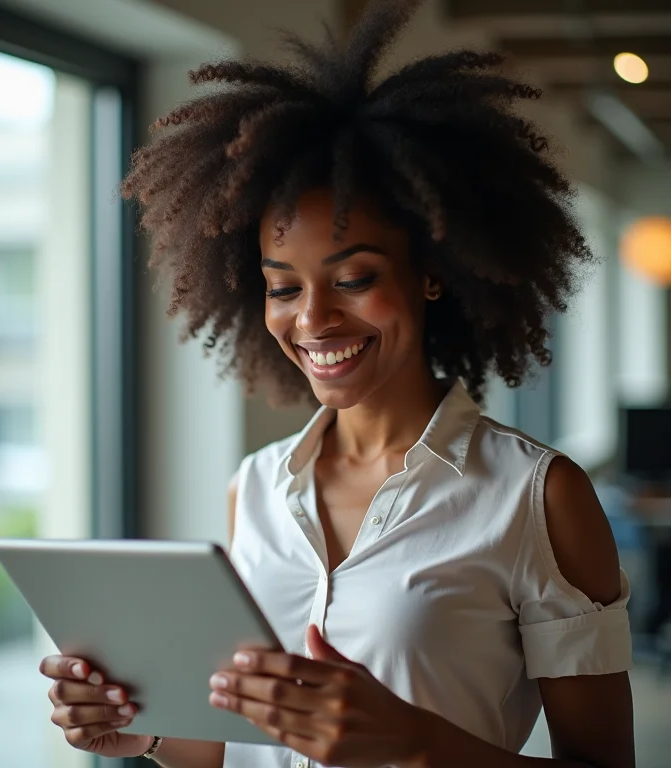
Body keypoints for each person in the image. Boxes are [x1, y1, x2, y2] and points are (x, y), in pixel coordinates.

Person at [39, 0, 635, 765]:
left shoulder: (537, 496)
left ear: (430, 276)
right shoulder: (253, 488)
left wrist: (415, 741)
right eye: (283, 287)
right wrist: (146, 731)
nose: (314, 318)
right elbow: (237, 738)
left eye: (354, 277)